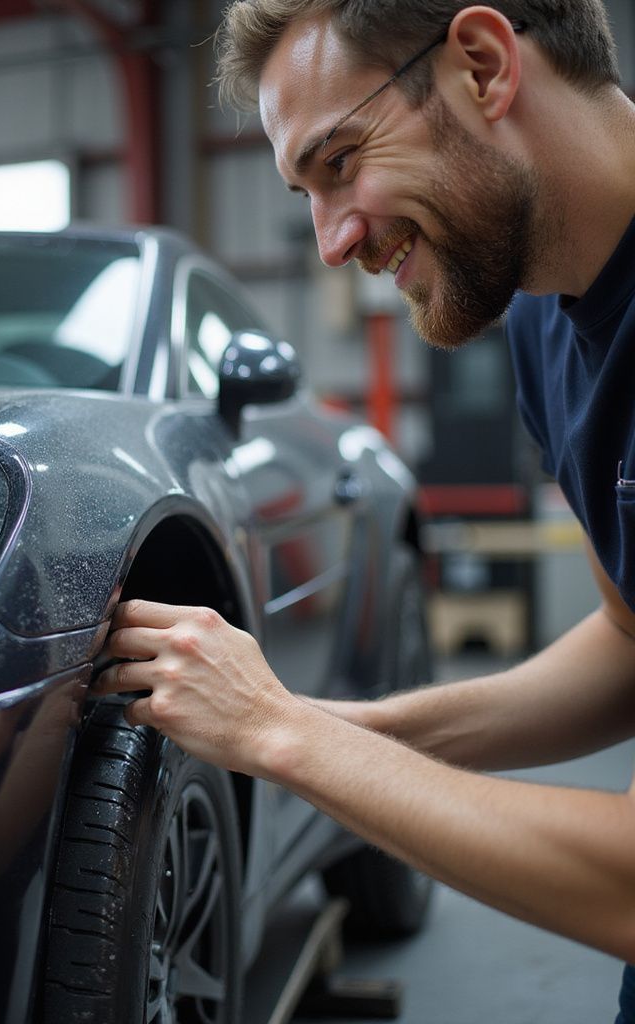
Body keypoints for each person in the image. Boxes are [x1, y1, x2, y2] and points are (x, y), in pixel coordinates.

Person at [92, 1, 635, 1019]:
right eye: (304, 192)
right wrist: (349, 731)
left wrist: (281, 738)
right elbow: (625, 637)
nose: (331, 243)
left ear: (481, 65)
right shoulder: (542, 328)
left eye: (338, 159)